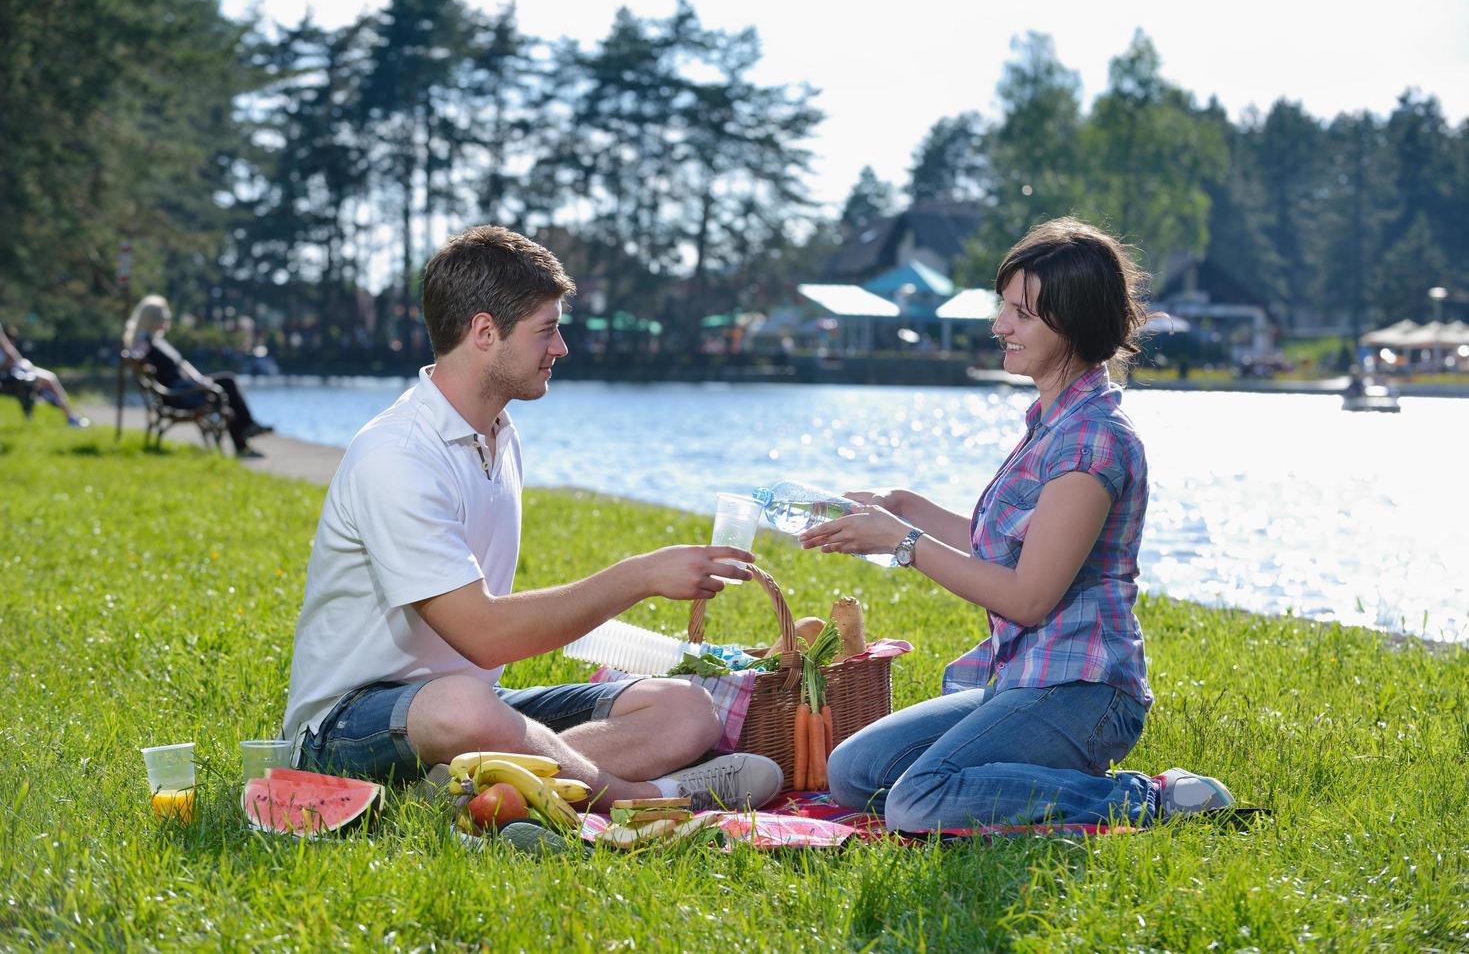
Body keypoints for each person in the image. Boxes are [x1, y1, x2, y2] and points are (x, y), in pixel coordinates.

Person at [280, 225, 783, 812]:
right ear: (485, 332)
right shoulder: (398, 455)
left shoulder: (499, 434)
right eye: (546, 329)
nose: (561, 347)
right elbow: (483, 633)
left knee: (687, 708)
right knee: (461, 708)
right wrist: (639, 577)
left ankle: (470, 785)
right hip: (348, 725)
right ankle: (649, 800)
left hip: (474, 700)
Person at [799, 217, 1234, 832]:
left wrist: (901, 543)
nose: (1000, 325)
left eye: (1022, 314)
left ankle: (1145, 800)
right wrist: (902, 506)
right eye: (1003, 307)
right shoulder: (1053, 422)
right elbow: (1003, 548)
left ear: (1074, 323)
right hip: (1022, 679)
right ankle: (1026, 781)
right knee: (853, 773)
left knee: (915, 800)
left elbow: (1028, 598)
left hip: (1083, 692)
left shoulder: (1093, 441)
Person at [122, 295, 273, 457]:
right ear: (153, 319)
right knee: (227, 383)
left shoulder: (157, 341)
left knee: (226, 390)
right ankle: (246, 432)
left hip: (186, 388)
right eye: (164, 317)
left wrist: (200, 380)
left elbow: (183, 365)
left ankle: (243, 440)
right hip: (179, 395)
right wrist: (133, 355)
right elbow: (136, 353)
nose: (167, 320)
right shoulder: (145, 340)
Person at [0, 323, 89, 427]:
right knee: (49, 380)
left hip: (16, 370)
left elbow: (9, 353)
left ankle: (68, 414)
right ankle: (70, 416)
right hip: (13, 372)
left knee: (48, 380)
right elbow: (10, 354)